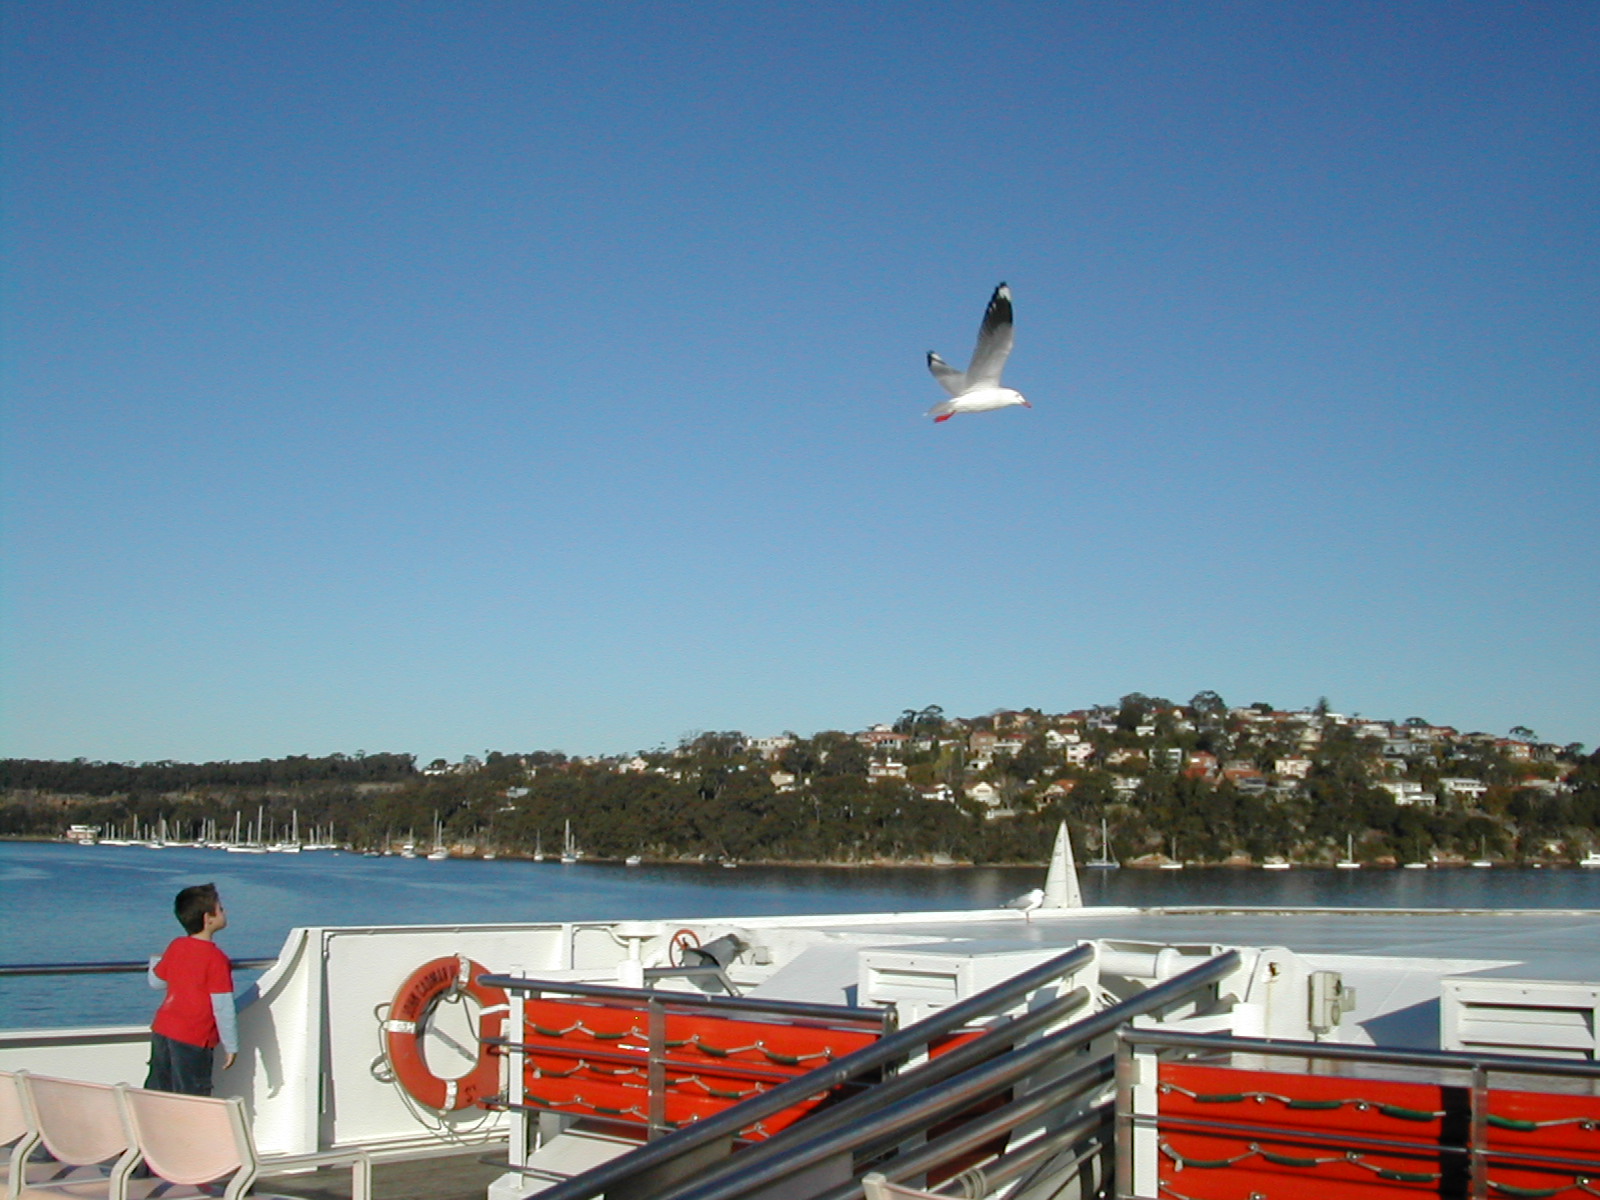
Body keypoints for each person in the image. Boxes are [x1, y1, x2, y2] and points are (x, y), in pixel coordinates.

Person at [144, 882, 238, 1095]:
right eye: (220, 909)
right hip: (194, 1035)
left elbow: (156, 982)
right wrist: (231, 1045)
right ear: (208, 919)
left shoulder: (177, 945)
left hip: (163, 1028)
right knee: (192, 1093)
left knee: (159, 1088)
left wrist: (155, 961)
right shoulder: (216, 959)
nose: (225, 912)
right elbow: (222, 1007)